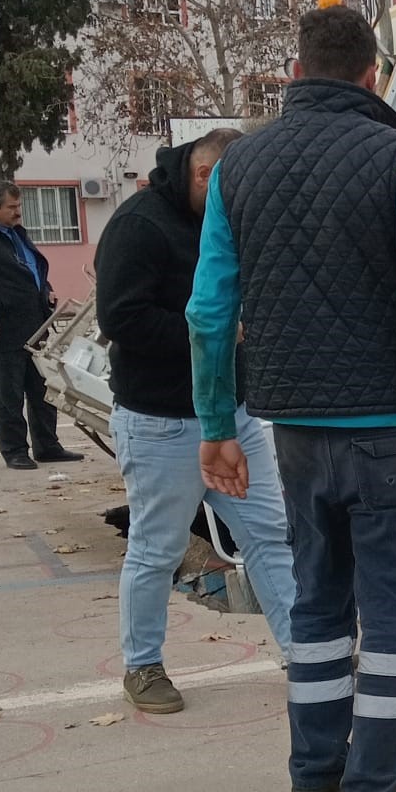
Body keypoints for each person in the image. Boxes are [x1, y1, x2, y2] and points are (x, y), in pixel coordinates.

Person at [188, 4, 396, 792]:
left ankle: (313, 775)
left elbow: (209, 310)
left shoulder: (236, 169)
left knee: (319, 604)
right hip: (389, 432)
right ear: (373, 77)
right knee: (392, 618)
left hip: (293, 434)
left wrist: (216, 423)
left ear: (295, 73)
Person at [94, 130, 297, 714]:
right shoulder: (140, 226)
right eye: (221, 182)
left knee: (270, 535)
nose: (229, 195)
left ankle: (302, 653)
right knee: (156, 549)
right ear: (196, 171)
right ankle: (143, 667)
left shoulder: (229, 221)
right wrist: (208, 333)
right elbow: (122, 318)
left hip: (231, 418)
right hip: (161, 422)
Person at [0, 180, 85, 471]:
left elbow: (31, 269)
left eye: (18, 205)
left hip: (35, 326)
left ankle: (47, 446)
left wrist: (45, 289)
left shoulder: (17, 234)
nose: (18, 212)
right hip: (0, 331)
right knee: (7, 395)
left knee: (42, 389)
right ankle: (14, 451)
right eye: (11, 207)